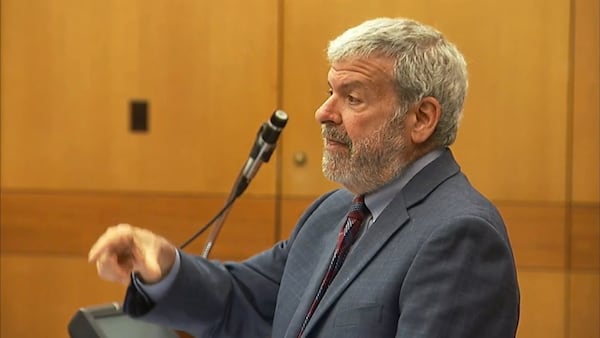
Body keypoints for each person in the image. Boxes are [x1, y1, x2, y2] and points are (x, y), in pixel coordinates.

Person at [88, 17, 520, 338]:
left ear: (422, 118)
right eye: (329, 92)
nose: (323, 113)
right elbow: (245, 301)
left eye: (352, 98)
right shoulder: (334, 212)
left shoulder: (460, 235)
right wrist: (164, 266)